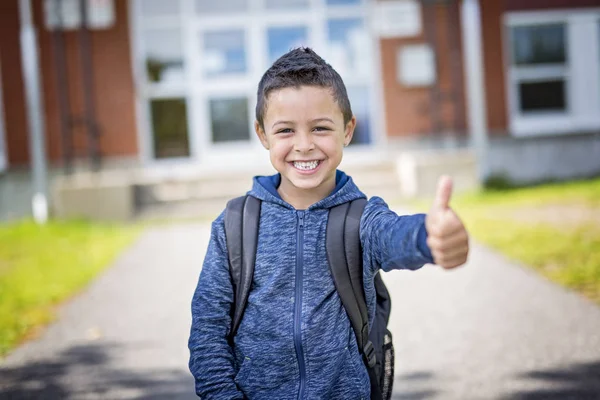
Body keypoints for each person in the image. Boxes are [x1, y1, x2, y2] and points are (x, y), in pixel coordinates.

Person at [188, 47, 469, 399]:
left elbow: (395, 235)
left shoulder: (362, 217)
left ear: (347, 130)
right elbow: (208, 328)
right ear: (262, 135)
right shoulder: (234, 224)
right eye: (286, 130)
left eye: (320, 128)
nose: (304, 146)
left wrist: (430, 235)